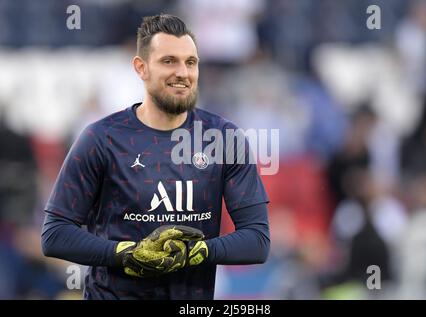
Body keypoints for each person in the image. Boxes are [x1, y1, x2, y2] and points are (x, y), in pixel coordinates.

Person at [41, 14, 270, 300]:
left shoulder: (224, 139)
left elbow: (257, 241)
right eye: (168, 61)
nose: (183, 73)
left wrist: (197, 252)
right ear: (141, 68)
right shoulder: (101, 138)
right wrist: (126, 254)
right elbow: (55, 235)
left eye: (190, 62)